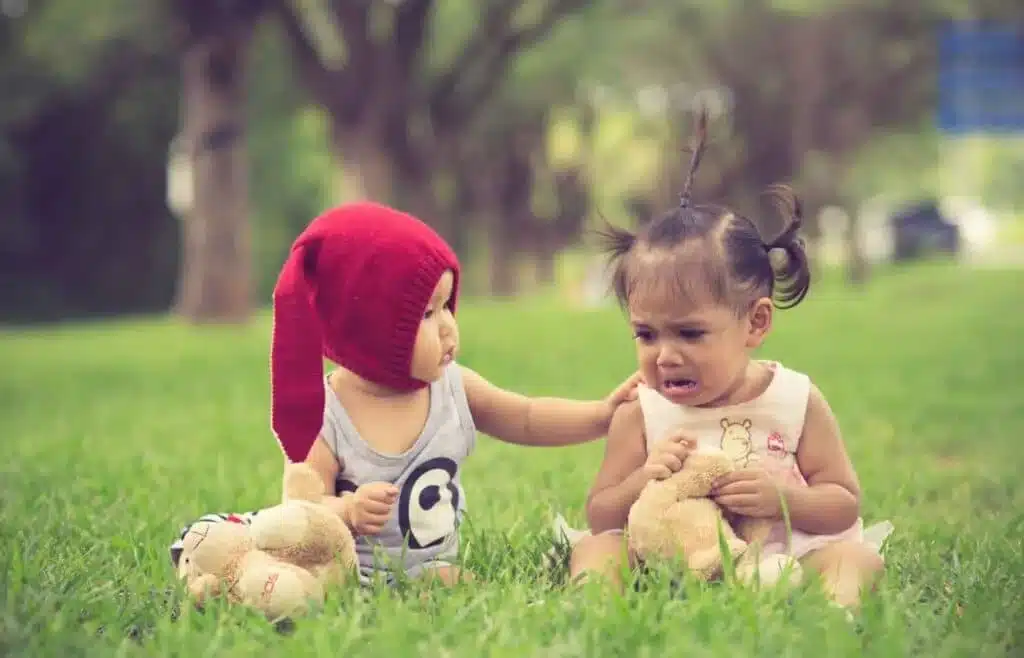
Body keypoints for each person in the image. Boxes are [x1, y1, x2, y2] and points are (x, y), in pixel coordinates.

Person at [167, 201, 641, 588]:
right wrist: (347, 510)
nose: (450, 328)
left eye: (448, 306)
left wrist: (601, 415)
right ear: (370, 330)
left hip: (429, 569)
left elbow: (528, 417)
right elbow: (304, 508)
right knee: (300, 584)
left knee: (450, 583)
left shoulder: (454, 388)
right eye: (427, 313)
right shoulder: (326, 415)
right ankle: (228, 564)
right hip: (351, 573)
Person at [564, 111, 892, 609]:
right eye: (646, 333)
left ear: (756, 324)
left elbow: (843, 501)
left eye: (690, 333)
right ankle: (592, 609)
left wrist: (784, 502)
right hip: (670, 557)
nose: (665, 355)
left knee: (857, 560)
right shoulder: (641, 410)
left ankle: (833, 616)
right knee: (596, 549)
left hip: (776, 558)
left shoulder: (795, 400)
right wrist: (643, 477)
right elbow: (601, 512)